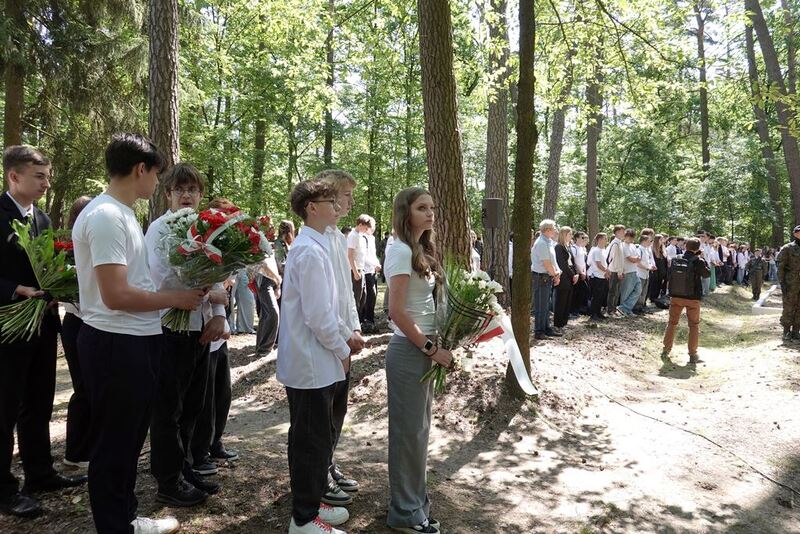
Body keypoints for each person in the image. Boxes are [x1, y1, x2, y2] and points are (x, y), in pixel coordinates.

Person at [72, 133, 205, 533]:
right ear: (141, 170)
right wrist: (174, 299)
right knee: (114, 443)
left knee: (129, 439)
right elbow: (115, 294)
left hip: (135, 340)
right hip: (116, 342)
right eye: (157, 174)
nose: (157, 183)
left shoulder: (122, 213)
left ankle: (125, 517)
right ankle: (115, 526)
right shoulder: (107, 217)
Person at [0, 146, 87, 520]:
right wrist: (14, 290)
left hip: (42, 323)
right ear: (14, 177)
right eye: (40, 177)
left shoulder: (45, 220)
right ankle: (4, 489)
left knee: (38, 400)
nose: (47, 184)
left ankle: (40, 473)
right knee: (3, 408)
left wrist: (58, 290)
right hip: (7, 327)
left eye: (48, 176)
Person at [144, 163, 229, 505]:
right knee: (168, 409)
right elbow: (158, 279)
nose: (186, 195)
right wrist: (207, 291)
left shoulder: (208, 228)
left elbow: (221, 272)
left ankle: (185, 467)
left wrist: (218, 314)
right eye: (179, 190)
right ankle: (168, 480)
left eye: (192, 189)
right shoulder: (159, 229)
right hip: (169, 326)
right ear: (167, 194)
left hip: (201, 330)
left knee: (194, 405)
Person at [277, 180, 354, 534]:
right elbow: (318, 316)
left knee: (315, 438)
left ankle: (310, 503)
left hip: (317, 360)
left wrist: (343, 337)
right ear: (311, 207)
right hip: (311, 362)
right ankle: (303, 520)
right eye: (330, 201)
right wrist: (342, 349)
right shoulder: (308, 250)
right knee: (310, 441)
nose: (337, 206)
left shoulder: (316, 245)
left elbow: (331, 307)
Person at [384, 187, 450, 534]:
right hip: (409, 352)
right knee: (408, 435)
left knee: (420, 433)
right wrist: (430, 349)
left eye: (432, 207)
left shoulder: (420, 250)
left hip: (424, 349)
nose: (430, 213)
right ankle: (404, 512)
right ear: (405, 212)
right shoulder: (398, 250)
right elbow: (396, 311)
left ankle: (414, 503)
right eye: (422, 207)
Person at [318, 170, 365, 506]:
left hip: (343, 337)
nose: (350, 201)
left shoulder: (337, 236)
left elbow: (346, 292)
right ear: (330, 197)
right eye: (346, 195)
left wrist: (356, 327)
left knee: (337, 409)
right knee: (320, 414)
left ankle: (328, 463)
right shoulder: (319, 239)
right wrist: (341, 340)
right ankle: (316, 474)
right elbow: (322, 302)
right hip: (328, 343)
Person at [61, 196, 93, 470]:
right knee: (83, 387)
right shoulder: (70, 252)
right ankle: (76, 451)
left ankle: (87, 445)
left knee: (93, 387)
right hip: (78, 321)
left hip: (90, 321)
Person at [661, 237, 711, 365]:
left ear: (685, 246)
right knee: (693, 325)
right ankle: (693, 355)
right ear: (698, 248)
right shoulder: (698, 261)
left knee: (672, 323)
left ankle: (666, 350)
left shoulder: (676, 258)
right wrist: (703, 258)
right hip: (693, 298)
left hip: (676, 296)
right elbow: (707, 274)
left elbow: (669, 275)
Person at [531, 219, 562, 340]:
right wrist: (555, 275)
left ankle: (546, 328)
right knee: (541, 305)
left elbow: (553, 262)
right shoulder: (542, 243)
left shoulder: (548, 242)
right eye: (554, 228)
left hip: (547, 276)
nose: (555, 231)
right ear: (547, 229)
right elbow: (547, 263)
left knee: (545, 305)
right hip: (541, 277)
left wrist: (556, 273)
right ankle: (539, 331)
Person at [254, 243, 282, 356]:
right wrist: (277, 279)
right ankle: (264, 348)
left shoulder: (267, 243)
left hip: (269, 281)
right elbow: (264, 265)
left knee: (266, 314)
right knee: (272, 313)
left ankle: (261, 346)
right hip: (265, 281)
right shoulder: (259, 240)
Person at [777, 226, 800, 340]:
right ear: (795, 234)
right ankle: (786, 330)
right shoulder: (787, 248)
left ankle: (796, 331)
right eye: (799, 232)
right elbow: (780, 266)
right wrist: (782, 282)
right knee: (788, 306)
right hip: (791, 283)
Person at [553, 226, 577, 332]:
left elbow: (572, 262)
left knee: (568, 300)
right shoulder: (559, 247)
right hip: (564, 277)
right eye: (570, 234)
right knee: (561, 300)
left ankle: (564, 322)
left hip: (570, 275)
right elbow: (562, 265)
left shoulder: (568, 247)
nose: (571, 236)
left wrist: (575, 274)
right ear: (564, 235)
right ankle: (558, 324)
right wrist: (573, 275)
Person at [348, 215, 371, 322]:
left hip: (361, 270)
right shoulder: (353, 236)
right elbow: (350, 255)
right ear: (360, 224)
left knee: (363, 297)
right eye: (366, 227)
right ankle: (353, 324)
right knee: (356, 299)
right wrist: (355, 272)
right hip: (354, 271)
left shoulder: (360, 237)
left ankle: (358, 322)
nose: (367, 230)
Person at [617, 229, 642, 317]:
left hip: (635, 271)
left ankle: (625, 308)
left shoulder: (633, 246)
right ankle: (624, 310)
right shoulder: (623, 245)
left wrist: (636, 259)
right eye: (629, 237)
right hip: (627, 271)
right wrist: (636, 259)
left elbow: (638, 257)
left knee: (638, 290)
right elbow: (630, 259)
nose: (630, 239)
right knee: (626, 292)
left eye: (632, 237)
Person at [362, 217, 380, 332]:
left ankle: (370, 318)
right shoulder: (362, 237)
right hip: (366, 271)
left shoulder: (372, 238)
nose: (373, 229)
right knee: (368, 296)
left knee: (373, 295)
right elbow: (364, 256)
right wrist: (375, 264)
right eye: (371, 226)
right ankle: (366, 320)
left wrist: (377, 264)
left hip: (373, 271)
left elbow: (373, 254)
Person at [587, 233, 610, 321]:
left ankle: (598, 312)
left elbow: (605, 263)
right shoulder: (596, 250)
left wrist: (606, 272)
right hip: (596, 276)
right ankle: (593, 314)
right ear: (599, 240)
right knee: (596, 296)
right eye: (605, 239)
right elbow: (598, 264)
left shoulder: (603, 250)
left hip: (602, 276)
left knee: (601, 296)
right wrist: (607, 271)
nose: (606, 240)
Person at [605, 224, 626, 316]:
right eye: (622, 231)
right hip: (614, 271)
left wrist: (621, 271)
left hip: (618, 271)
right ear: (617, 232)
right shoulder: (615, 243)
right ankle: (610, 310)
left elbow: (620, 259)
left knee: (617, 291)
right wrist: (617, 271)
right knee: (612, 291)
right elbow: (611, 258)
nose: (624, 233)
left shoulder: (620, 243)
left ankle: (614, 308)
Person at [569, 231, 589, 316]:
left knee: (583, 291)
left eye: (584, 238)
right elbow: (575, 262)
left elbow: (583, 262)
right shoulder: (573, 248)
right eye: (582, 238)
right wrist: (581, 273)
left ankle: (579, 309)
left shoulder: (582, 248)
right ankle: (573, 310)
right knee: (576, 293)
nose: (583, 239)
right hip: (577, 274)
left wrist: (585, 272)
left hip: (583, 273)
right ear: (577, 238)